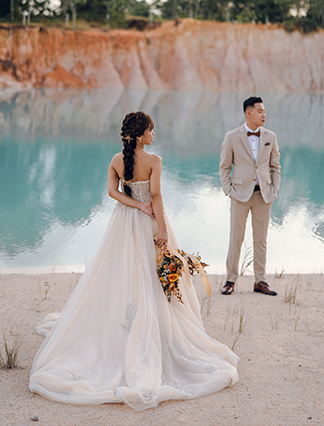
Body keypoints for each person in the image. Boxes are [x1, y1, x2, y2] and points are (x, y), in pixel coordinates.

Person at [29, 111, 238, 412]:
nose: (154, 135)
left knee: (121, 273)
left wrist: (135, 205)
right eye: (152, 130)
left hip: (124, 223)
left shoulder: (117, 159)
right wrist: (162, 229)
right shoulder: (154, 161)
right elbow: (156, 196)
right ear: (140, 134)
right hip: (150, 223)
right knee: (152, 276)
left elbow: (113, 192)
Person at [219, 96, 281, 296]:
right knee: (236, 238)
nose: (264, 114)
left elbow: (275, 166)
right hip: (239, 195)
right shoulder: (231, 137)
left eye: (264, 111)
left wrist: (274, 191)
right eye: (260, 111)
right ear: (249, 113)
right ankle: (230, 279)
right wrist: (229, 190)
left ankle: (260, 281)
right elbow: (224, 167)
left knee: (261, 239)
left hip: (264, 195)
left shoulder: (271, 136)